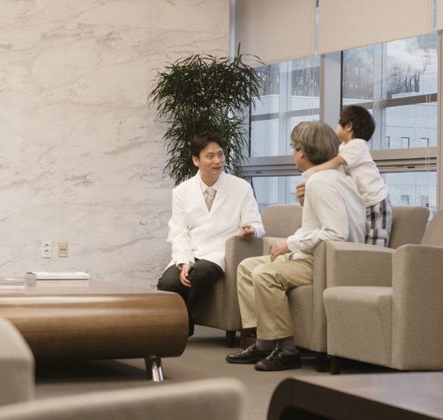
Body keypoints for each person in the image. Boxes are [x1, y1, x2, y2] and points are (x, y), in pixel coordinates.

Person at [225, 121, 365, 371]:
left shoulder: (320, 182)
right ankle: (264, 342)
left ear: (302, 152)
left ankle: (287, 350)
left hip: (327, 263)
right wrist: (293, 240)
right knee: (247, 268)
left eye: (293, 147)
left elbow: (336, 233)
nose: (292, 153)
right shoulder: (333, 178)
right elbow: (319, 226)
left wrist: (291, 243)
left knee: (265, 274)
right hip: (321, 257)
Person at [158, 132, 265, 336]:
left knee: (200, 273)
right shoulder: (182, 191)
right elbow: (178, 232)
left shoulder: (241, 187)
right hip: (192, 251)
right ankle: (183, 323)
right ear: (196, 160)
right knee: (168, 282)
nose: (217, 161)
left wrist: (251, 230)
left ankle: (182, 325)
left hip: (220, 252)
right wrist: (184, 261)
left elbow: (256, 224)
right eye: (210, 156)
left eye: (220, 154)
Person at [296, 105, 392, 247]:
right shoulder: (343, 147)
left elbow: (337, 161)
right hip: (365, 202)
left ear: (348, 126)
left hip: (376, 201)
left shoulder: (358, 145)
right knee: (367, 241)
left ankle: (376, 260)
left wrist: (314, 171)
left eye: (338, 121)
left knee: (376, 243)